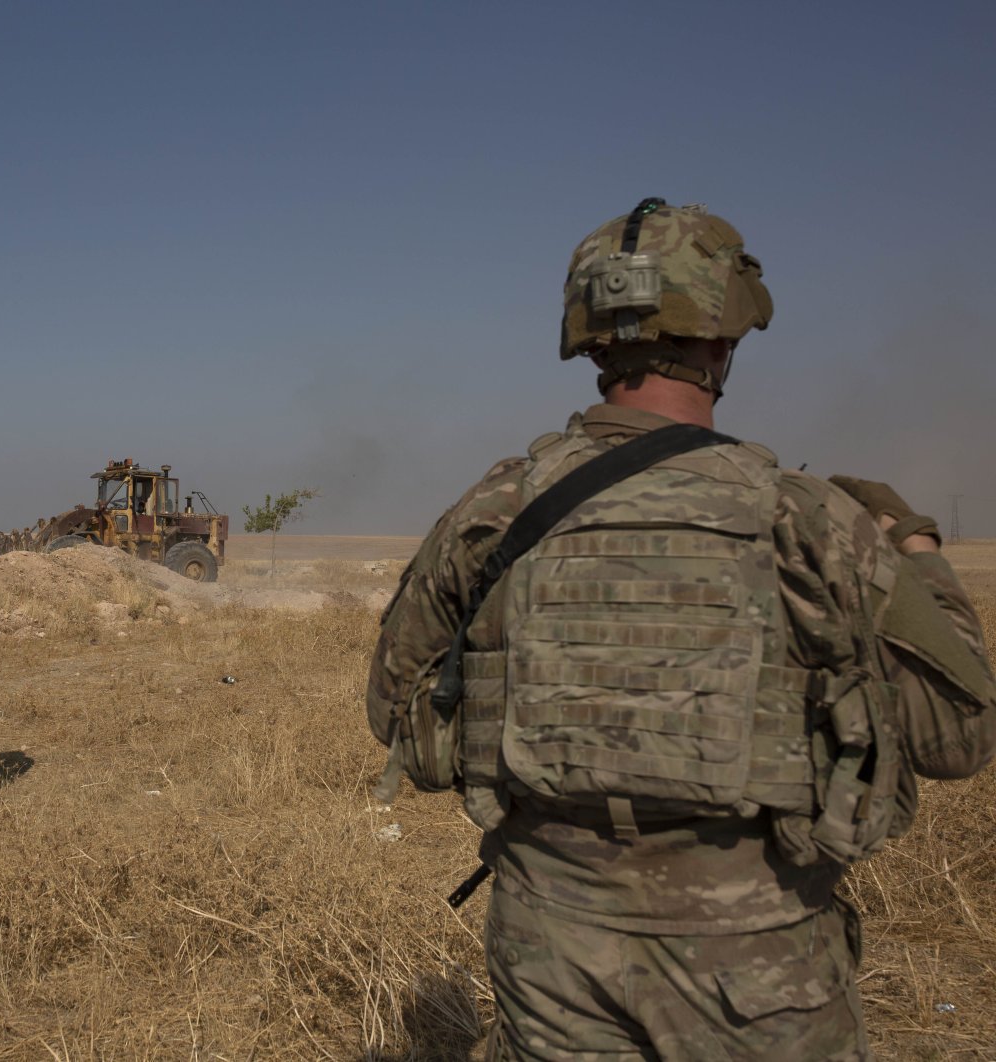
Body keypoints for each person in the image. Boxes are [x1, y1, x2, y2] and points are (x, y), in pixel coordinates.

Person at [366, 198, 996, 1059]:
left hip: (549, 950)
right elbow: (960, 735)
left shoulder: (494, 510)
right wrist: (917, 548)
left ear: (590, 337)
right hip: (755, 967)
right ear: (723, 335)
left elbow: (395, 708)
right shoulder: (805, 518)